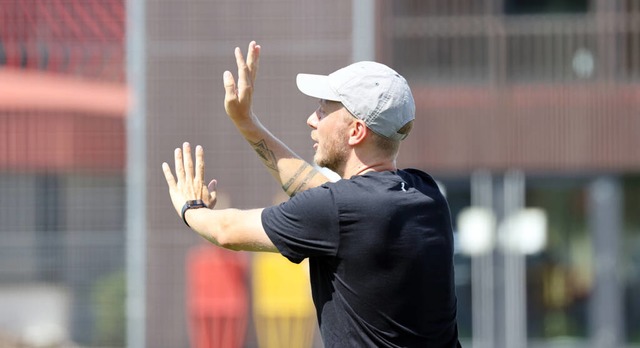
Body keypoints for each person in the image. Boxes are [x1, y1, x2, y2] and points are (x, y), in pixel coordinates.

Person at [162, 41, 461, 347]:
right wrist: (247, 123)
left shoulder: (338, 210)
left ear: (356, 131)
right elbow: (325, 195)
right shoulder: (426, 195)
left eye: (323, 110)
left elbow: (228, 232)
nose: (312, 119)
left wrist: (190, 207)